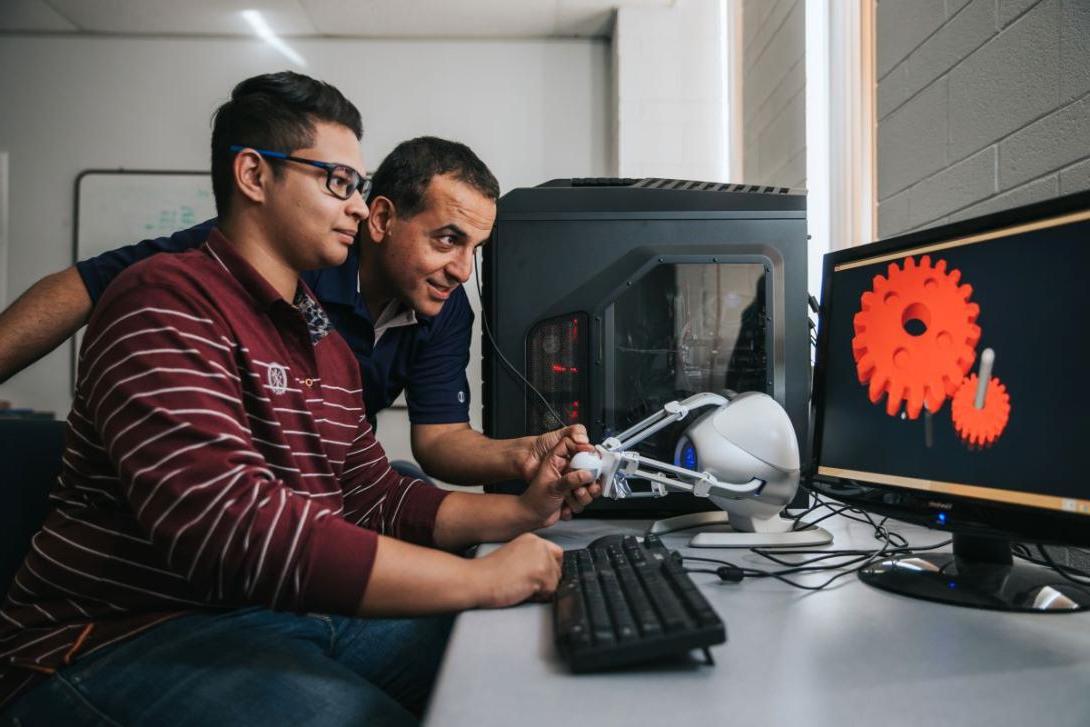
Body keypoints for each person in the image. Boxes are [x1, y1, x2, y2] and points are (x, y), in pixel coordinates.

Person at [0, 71, 595, 726]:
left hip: (267, 609)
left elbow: (375, 494)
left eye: (358, 187)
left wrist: (522, 513)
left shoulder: (321, 337)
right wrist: (483, 579)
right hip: (121, 633)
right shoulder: (164, 298)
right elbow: (235, 528)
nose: (357, 207)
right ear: (253, 176)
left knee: (502, 665)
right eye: (337, 182)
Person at [0, 136, 595, 513]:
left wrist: (524, 458)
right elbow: (86, 283)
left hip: (314, 488)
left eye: (475, 249)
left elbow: (437, 438)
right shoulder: (278, 266)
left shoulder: (442, 306)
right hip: (237, 496)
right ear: (381, 219)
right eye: (447, 239)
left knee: (407, 485)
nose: (462, 270)